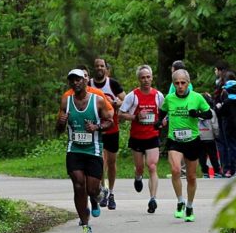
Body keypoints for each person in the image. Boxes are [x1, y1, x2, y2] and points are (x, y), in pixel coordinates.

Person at [57, 69, 115, 233]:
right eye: (72, 80)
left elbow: (110, 121)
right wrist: (60, 123)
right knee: (78, 185)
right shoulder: (66, 101)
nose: (75, 83)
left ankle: (99, 193)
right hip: (74, 149)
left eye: (78, 80)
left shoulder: (97, 100)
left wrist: (97, 127)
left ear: (85, 81)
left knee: (92, 189)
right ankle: (85, 224)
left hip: (93, 150)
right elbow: (59, 129)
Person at [156, 69, 212, 222]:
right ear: (173, 84)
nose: (180, 86)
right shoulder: (169, 98)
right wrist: (159, 122)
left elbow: (209, 114)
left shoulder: (197, 97)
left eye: (183, 83)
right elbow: (162, 112)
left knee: (191, 177)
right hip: (175, 140)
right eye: (177, 83)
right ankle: (180, 201)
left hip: (192, 140)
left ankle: (189, 206)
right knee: (175, 170)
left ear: (188, 83)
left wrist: (197, 114)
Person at [119, 65, 164, 213]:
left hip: (152, 136)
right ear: (139, 79)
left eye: (148, 77)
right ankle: (138, 177)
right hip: (137, 137)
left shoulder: (158, 96)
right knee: (140, 167)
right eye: (142, 77)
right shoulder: (133, 96)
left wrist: (163, 122)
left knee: (152, 166)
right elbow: (121, 115)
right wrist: (135, 117)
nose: (146, 80)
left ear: (152, 78)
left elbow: (165, 114)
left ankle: (153, 199)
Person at [90, 58, 125, 210]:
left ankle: (110, 192)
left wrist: (118, 103)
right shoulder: (88, 84)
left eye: (102, 66)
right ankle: (102, 189)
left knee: (111, 162)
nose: (99, 68)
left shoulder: (113, 84)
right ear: (94, 68)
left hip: (112, 128)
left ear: (106, 68)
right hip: (96, 129)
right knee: (100, 161)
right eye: (97, 66)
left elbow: (126, 100)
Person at [216, 70, 236, 176]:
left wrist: (219, 107)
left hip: (230, 127)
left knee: (233, 147)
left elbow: (221, 112)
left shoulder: (228, 102)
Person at [197, 93, 222, 178]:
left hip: (199, 137)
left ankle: (205, 173)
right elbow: (215, 125)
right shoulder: (211, 112)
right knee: (213, 156)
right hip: (210, 137)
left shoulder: (196, 111)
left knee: (202, 156)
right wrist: (216, 135)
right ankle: (217, 172)